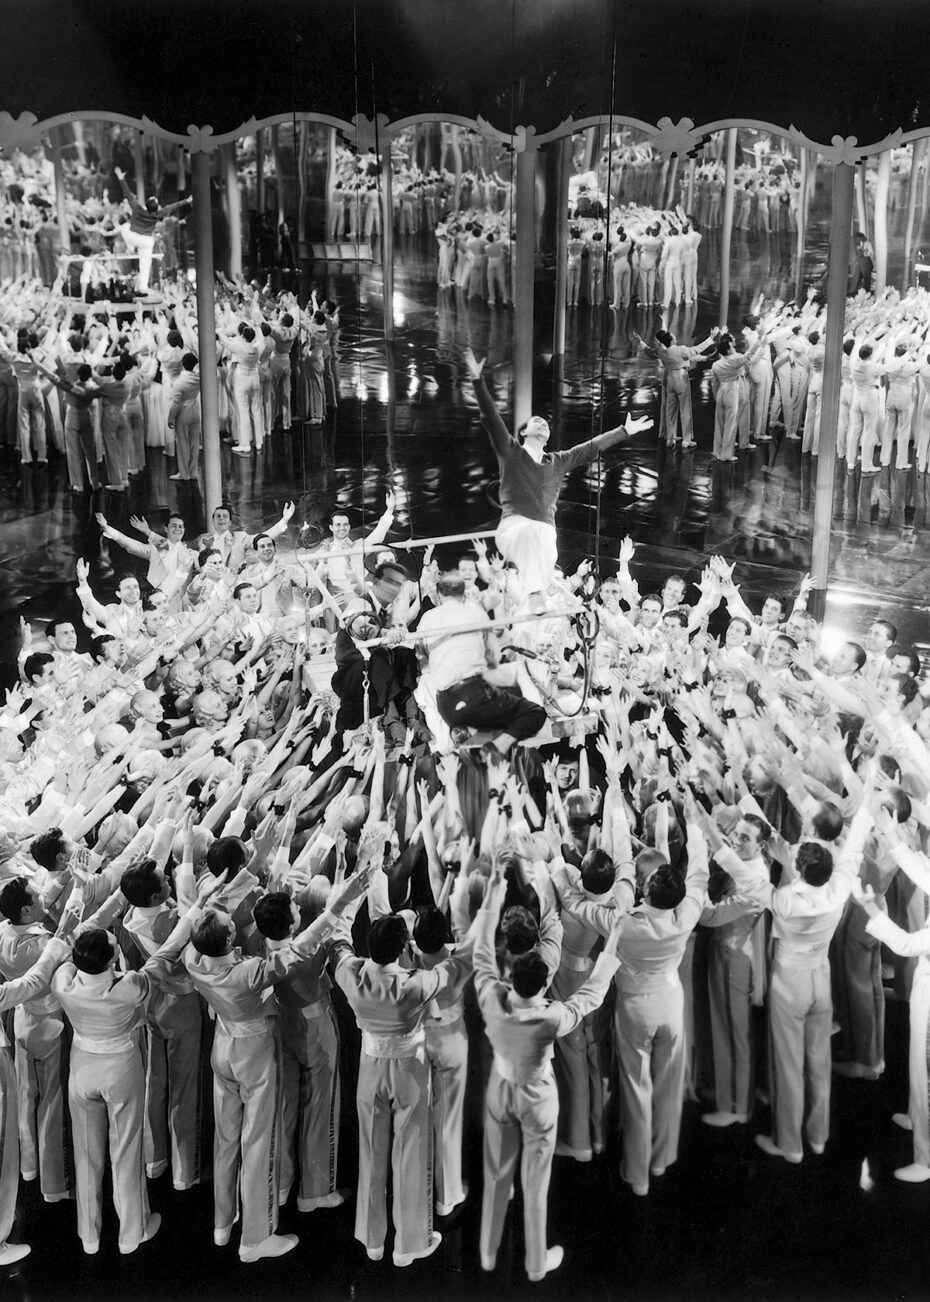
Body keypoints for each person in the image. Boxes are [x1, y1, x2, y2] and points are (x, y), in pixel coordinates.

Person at [473, 857, 623, 1282]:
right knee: (536, 1182)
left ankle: (487, 1251)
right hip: (538, 1095)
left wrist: (493, 896)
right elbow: (590, 993)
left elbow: (483, 947)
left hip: (500, 1087)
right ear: (543, 981)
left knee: (496, 1170)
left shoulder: (490, 995)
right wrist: (610, 948)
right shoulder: (552, 1015)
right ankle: (536, 1262)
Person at [465, 347, 649, 612]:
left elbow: (589, 449)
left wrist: (624, 431)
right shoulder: (512, 453)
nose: (542, 424)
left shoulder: (558, 461)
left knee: (547, 544)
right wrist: (477, 381)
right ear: (523, 432)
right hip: (515, 528)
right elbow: (492, 420)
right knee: (535, 535)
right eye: (535, 422)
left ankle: (534, 597)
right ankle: (535, 594)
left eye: (545, 424)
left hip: (543, 534)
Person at [417, 572, 546, 752]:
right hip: (473, 696)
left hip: (446, 706)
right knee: (535, 712)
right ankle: (500, 745)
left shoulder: (427, 618)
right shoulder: (476, 613)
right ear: (463, 593)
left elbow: (422, 658)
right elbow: (493, 657)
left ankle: (456, 734)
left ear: (439, 594)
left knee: (428, 686)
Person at [114, 167, 191, 295]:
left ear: (146, 204)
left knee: (124, 226)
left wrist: (121, 178)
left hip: (133, 237)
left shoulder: (138, 209)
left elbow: (128, 194)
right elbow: (173, 206)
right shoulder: (157, 214)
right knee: (145, 262)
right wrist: (187, 201)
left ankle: (131, 247)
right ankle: (142, 287)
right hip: (146, 241)